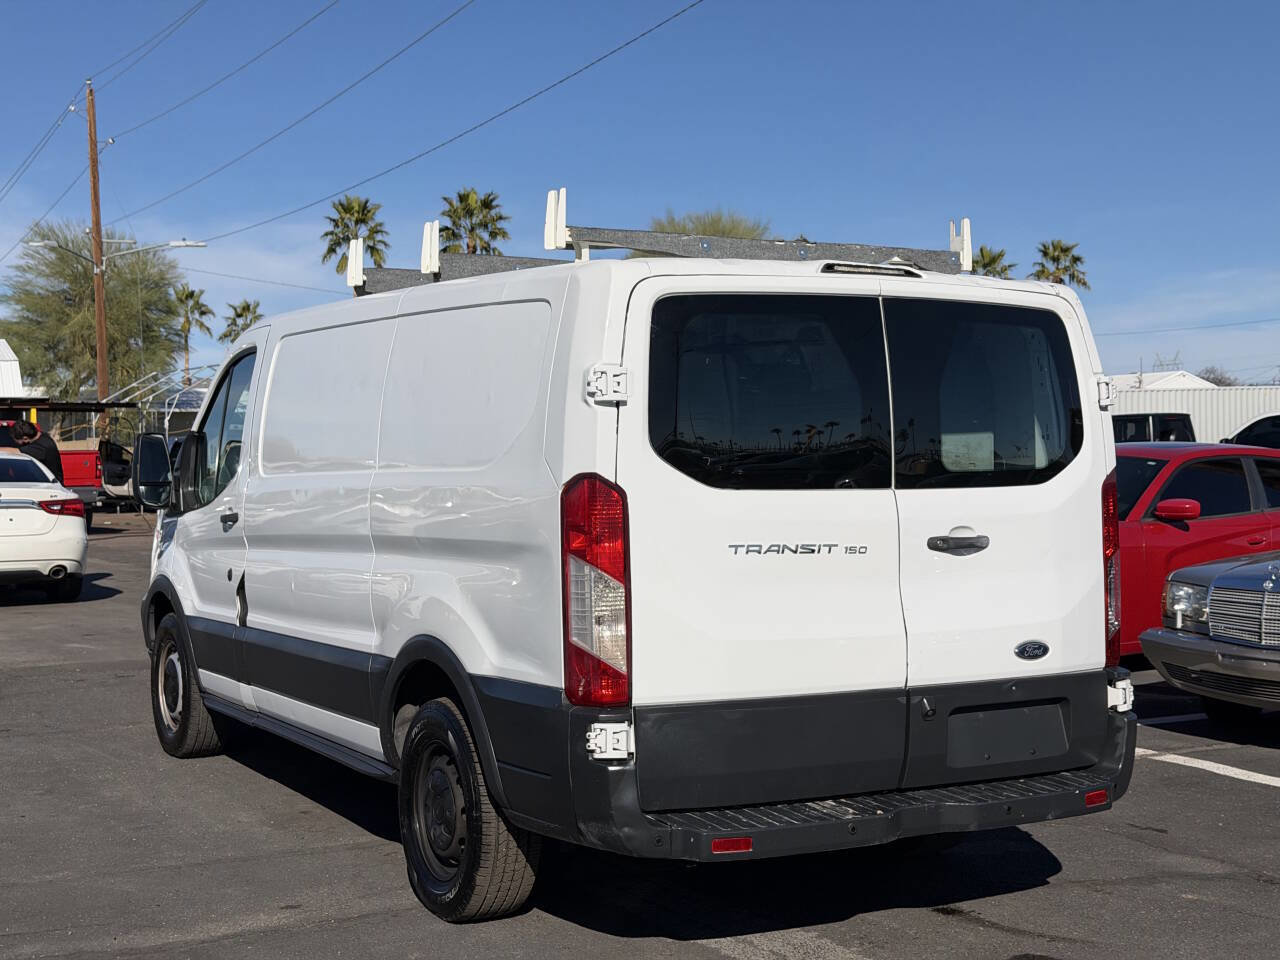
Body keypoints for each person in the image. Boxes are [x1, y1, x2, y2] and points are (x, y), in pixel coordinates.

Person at [10, 419, 64, 483]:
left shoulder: (41, 447)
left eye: (15, 440)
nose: (14, 442)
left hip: (50, 485)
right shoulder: (43, 436)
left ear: (25, 438)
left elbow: (15, 451)